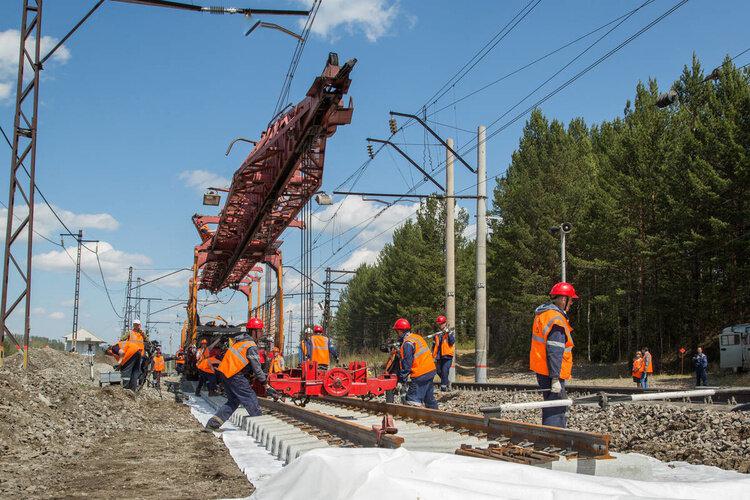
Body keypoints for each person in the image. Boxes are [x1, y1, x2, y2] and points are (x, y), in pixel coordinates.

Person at [204, 318, 278, 432]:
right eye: (260, 331)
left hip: (225, 374)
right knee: (250, 397)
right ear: (254, 332)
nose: (261, 334)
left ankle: (212, 424)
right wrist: (265, 384)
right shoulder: (250, 345)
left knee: (233, 401)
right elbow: (257, 368)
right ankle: (259, 427)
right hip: (235, 375)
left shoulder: (239, 341)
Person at [529, 282, 577, 428]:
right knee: (556, 407)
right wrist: (555, 377)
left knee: (551, 405)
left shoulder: (543, 314)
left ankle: (551, 439)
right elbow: (555, 350)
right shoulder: (556, 319)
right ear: (563, 299)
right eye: (571, 300)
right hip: (552, 371)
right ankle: (554, 441)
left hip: (543, 368)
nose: (571, 303)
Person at [394, 318, 438, 409]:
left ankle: (416, 419)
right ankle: (438, 417)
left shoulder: (407, 343)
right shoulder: (417, 337)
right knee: (429, 399)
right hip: (430, 370)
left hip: (420, 373)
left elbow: (407, 363)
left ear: (400, 331)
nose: (397, 334)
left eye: (397, 331)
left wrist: (402, 379)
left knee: (412, 399)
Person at [119, 319, 148, 391]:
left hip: (139, 355)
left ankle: (133, 388)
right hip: (131, 354)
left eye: (137, 325)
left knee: (136, 371)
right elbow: (122, 339)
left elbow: (147, 340)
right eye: (135, 325)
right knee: (129, 370)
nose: (136, 326)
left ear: (140, 325)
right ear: (133, 325)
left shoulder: (142, 334)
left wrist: (143, 334)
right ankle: (126, 387)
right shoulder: (130, 332)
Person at [432, 315, 455, 392]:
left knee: (445, 371)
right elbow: (434, 345)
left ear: (445, 323)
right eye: (439, 324)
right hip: (438, 356)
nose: (440, 325)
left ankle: (443, 388)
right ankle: (447, 382)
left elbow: (452, 342)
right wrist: (433, 355)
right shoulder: (437, 334)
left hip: (447, 355)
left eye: (441, 323)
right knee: (438, 371)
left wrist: (448, 333)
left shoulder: (450, 331)